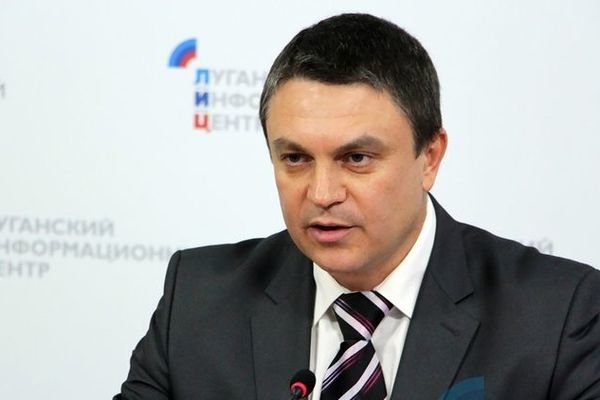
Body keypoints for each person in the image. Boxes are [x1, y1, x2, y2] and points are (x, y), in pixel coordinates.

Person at [114, 13, 600, 400]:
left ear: (430, 158)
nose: (322, 193)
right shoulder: (199, 300)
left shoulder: (558, 315)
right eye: (296, 158)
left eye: (357, 158)